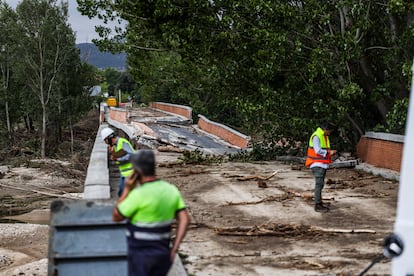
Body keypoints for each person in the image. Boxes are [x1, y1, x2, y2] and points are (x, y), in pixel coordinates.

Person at [112, 149, 190, 276]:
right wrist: (174, 248)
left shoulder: (138, 195)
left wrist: (126, 189)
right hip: (163, 254)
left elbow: (116, 216)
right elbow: (185, 219)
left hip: (141, 255)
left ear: (137, 171)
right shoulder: (171, 190)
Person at [305, 122, 337, 212]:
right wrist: (329, 152)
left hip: (321, 163)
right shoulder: (317, 136)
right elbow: (318, 150)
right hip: (316, 163)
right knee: (319, 184)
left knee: (320, 184)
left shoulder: (322, 136)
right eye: (330, 131)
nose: (330, 133)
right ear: (325, 129)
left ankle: (319, 202)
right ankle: (317, 205)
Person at [101, 127, 136, 197]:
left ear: (109, 138)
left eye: (106, 140)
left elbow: (131, 155)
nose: (106, 143)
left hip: (131, 173)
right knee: (121, 193)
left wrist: (117, 159)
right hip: (124, 174)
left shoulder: (122, 142)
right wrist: (113, 153)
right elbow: (120, 156)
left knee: (125, 195)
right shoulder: (115, 146)